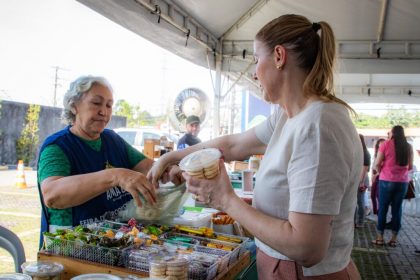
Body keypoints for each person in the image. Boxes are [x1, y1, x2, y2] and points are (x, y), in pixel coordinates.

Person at [149, 14, 362, 279]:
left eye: (256, 59)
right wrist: (172, 157)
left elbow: (307, 246)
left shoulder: (317, 125)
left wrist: (226, 199)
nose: (253, 71)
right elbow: (233, 144)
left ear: (279, 56)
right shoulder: (289, 116)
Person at [37, 76, 157, 245]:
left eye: (109, 105)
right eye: (96, 103)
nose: (104, 111)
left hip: (113, 242)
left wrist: (168, 168)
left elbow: (146, 166)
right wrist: (115, 176)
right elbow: (52, 195)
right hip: (70, 247)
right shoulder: (57, 147)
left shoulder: (112, 140)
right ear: (74, 106)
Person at [372, 125, 413, 247]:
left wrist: (380, 171)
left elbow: (377, 163)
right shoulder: (408, 146)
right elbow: (410, 166)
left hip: (386, 180)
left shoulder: (385, 144)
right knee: (397, 209)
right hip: (402, 182)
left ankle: (380, 238)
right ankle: (394, 239)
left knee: (383, 208)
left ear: (393, 133)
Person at [355, 134, 370, 228]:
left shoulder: (364, 152)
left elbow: (365, 168)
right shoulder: (360, 151)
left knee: (360, 202)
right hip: (359, 179)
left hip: (362, 179)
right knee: (357, 202)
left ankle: (360, 222)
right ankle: (356, 221)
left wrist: (360, 182)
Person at [371, 138, 386, 215]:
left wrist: (376, 175)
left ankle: (380, 211)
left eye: (383, 144)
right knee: (372, 195)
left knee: (378, 195)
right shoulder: (376, 154)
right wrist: (372, 176)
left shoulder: (384, 154)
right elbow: (373, 167)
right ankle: (375, 211)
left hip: (380, 176)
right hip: (375, 176)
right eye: (380, 144)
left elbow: (382, 167)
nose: (381, 145)